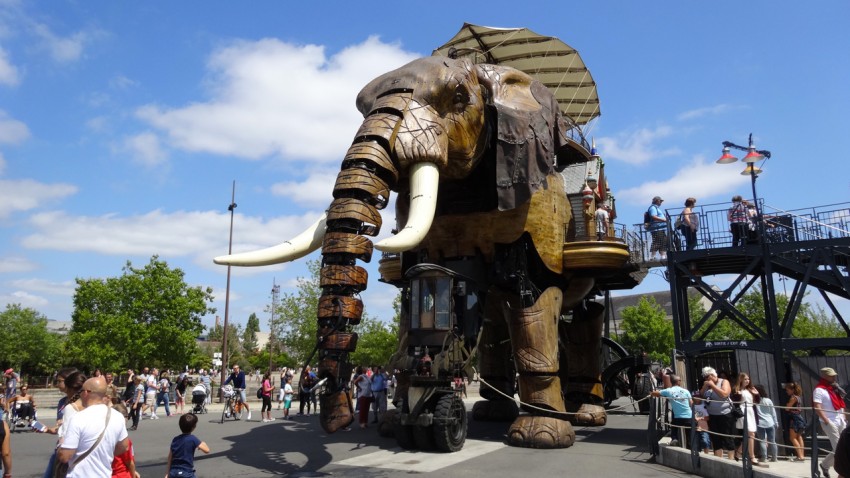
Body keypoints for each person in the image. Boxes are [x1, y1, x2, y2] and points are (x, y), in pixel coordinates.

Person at [58, 376, 130, 478]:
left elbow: (65, 456)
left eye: (81, 391)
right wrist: (104, 453)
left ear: (86, 392)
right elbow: (124, 446)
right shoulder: (117, 416)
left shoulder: (78, 418)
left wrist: (60, 445)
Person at [814, 367, 847, 478]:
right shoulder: (819, 390)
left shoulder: (835, 388)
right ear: (825, 376)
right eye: (831, 375)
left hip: (840, 420)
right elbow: (817, 407)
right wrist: (826, 421)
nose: (834, 377)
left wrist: (843, 417)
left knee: (843, 446)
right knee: (839, 448)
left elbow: (841, 404)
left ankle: (825, 465)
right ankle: (842, 472)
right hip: (829, 421)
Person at [699, 366, 736, 460]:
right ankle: (718, 459)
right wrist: (704, 386)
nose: (707, 379)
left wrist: (713, 386)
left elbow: (724, 394)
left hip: (725, 414)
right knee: (715, 438)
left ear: (713, 375)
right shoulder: (707, 385)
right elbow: (701, 395)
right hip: (712, 415)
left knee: (727, 437)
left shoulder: (723, 382)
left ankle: (731, 459)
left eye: (708, 376)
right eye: (705, 377)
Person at [732, 372, 767, 467]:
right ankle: (752, 457)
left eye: (748, 379)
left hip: (751, 411)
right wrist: (738, 395)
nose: (747, 381)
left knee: (750, 434)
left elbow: (757, 402)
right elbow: (735, 402)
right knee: (750, 433)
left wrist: (757, 394)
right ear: (741, 380)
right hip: (743, 411)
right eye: (745, 379)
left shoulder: (750, 389)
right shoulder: (737, 389)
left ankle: (739, 451)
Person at [651, 373, 692, 447]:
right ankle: (690, 449)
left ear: (671, 382)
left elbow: (655, 393)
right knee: (689, 435)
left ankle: (675, 438)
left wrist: (651, 393)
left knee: (674, 425)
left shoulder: (669, 391)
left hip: (677, 417)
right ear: (678, 382)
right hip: (688, 416)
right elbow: (691, 403)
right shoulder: (686, 391)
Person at [165, 413, 210, 478]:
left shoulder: (175, 439)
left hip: (173, 471)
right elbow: (207, 450)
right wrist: (203, 443)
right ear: (193, 427)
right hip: (186, 472)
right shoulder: (193, 439)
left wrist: (167, 473)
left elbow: (170, 457)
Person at [110, 403, 140, 478]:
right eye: (126, 417)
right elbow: (129, 462)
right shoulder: (124, 440)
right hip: (121, 473)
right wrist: (133, 474)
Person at [754, 384, 778, 462]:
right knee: (773, 441)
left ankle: (764, 457)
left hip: (760, 423)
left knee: (762, 441)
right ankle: (775, 457)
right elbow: (773, 412)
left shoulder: (754, 401)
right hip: (770, 422)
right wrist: (776, 422)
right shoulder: (768, 400)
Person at [784, 381, 806, 461]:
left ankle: (800, 456)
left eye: (787, 390)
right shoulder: (798, 397)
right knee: (799, 436)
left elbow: (787, 408)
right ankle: (802, 455)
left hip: (794, 419)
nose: (787, 392)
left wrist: (787, 405)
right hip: (799, 418)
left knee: (792, 438)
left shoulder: (793, 398)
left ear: (792, 390)